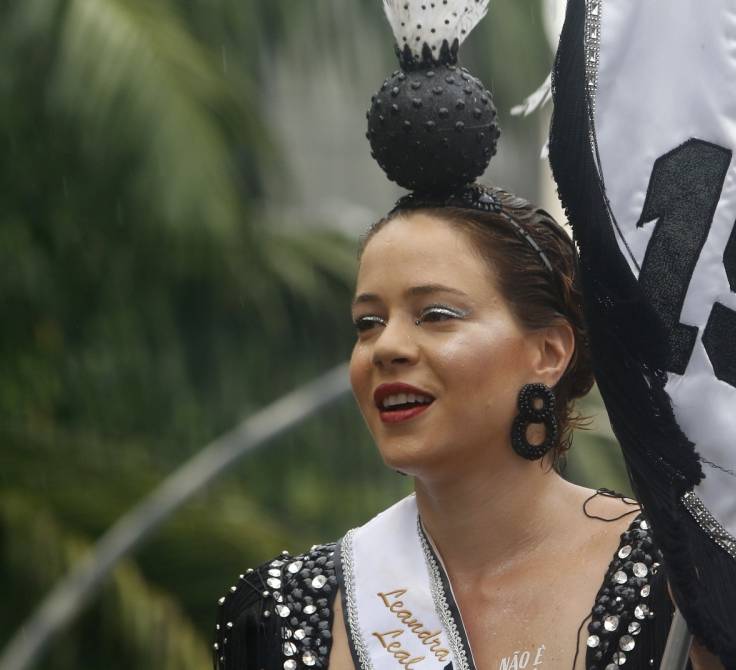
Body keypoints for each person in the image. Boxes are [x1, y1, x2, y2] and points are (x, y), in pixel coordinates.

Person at [212, 187, 678, 670]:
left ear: (549, 353)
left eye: (435, 314)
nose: (386, 346)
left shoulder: (680, 584)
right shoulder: (280, 615)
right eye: (367, 322)